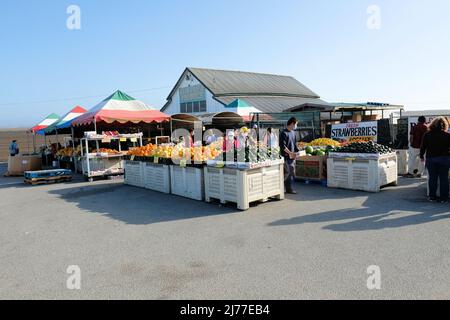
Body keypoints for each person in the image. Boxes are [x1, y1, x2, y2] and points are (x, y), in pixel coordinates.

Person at [420, 117, 450, 203]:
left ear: (432, 124)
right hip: (444, 159)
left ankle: (432, 196)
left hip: (431, 159)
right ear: (445, 125)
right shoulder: (448, 135)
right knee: (444, 178)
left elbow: (423, 147)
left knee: (432, 178)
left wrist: (422, 156)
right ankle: (444, 198)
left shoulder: (427, 134)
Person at [280, 117, 299, 194]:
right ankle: (283, 188)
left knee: (290, 173)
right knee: (286, 173)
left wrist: (298, 151)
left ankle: (288, 189)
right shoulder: (283, 133)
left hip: (292, 157)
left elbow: (294, 144)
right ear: (292, 124)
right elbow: (282, 146)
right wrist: (290, 153)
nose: (296, 126)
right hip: (285, 157)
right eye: (296, 124)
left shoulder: (293, 133)